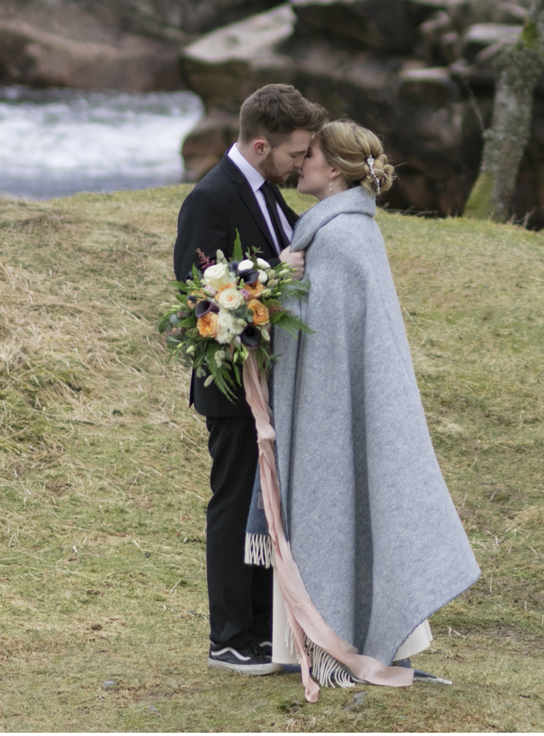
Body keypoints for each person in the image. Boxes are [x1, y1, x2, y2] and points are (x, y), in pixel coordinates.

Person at [252, 119, 479, 689]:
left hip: (333, 418)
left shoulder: (340, 237)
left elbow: (325, 343)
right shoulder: (337, 230)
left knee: (342, 508)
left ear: (333, 171)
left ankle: (344, 642)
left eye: (311, 156)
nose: (300, 162)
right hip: (329, 411)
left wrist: (274, 291)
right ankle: (330, 637)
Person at [173, 83, 325, 675]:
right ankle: (230, 638)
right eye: (295, 154)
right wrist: (262, 288)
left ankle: (265, 632)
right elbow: (199, 296)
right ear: (262, 145)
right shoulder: (209, 199)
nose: (300, 164)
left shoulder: (265, 194)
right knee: (235, 505)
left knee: (265, 509)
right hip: (235, 388)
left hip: (270, 384)